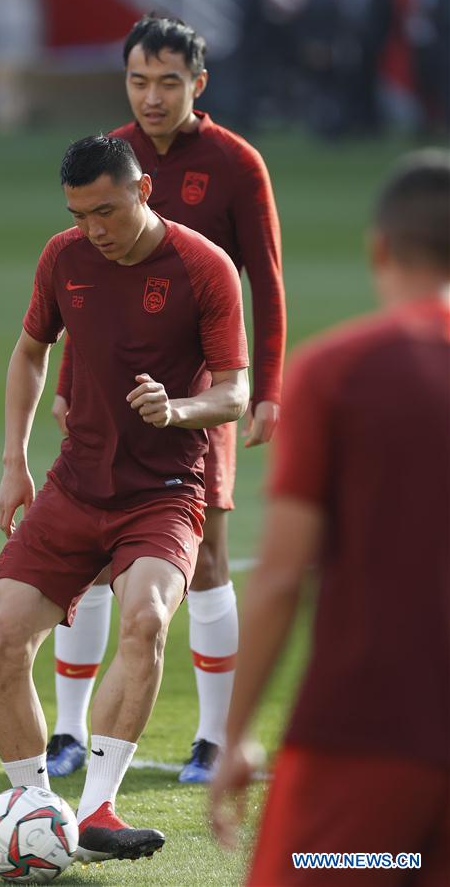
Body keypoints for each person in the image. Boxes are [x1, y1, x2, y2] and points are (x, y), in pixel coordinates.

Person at [0, 135, 249, 863]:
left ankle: (97, 806)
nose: (93, 228)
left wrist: (179, 410)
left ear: (141, 192)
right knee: (1, 642)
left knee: (144, 623)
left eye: (105, 210)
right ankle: (36, 806)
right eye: (78, 214)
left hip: (162, 495)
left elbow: (234, 389)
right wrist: (15, 462)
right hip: (74, 484)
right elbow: (30, 349)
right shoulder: (63, 256)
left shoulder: (202, 268)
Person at [47, 14, 286, 783]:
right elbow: (72, 290)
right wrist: (64, 385)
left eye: (168, 82)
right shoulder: (107, 158)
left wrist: (266, 389)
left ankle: (213, 737)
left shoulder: (235, 163)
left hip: (201, 394)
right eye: (138, 81)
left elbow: (265, 282)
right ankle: (68, 731)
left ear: (198, 84)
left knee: (208, 559)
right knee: (83, 557)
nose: (152, 97)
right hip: (102, 396)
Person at [209, 148, 450, 885]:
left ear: (377, 246)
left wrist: (236, 733)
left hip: (364, 741)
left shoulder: (341, 371)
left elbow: (282, 576)